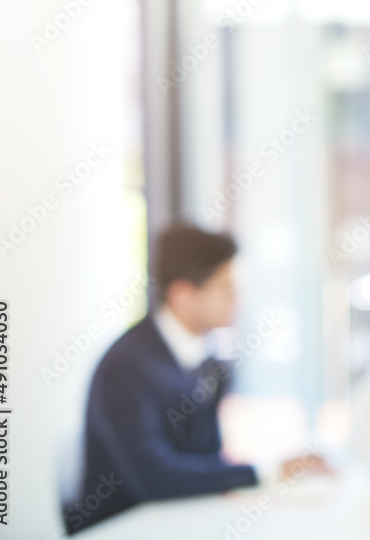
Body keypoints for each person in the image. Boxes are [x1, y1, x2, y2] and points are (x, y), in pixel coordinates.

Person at [69, 223, 326, 533]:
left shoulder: (205, 362)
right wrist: (265, 470)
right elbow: (157, 477)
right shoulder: (126, 367)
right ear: (183, 295)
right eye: (224, 288)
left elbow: (207, 457)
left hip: (184, 521)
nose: (237, 300)